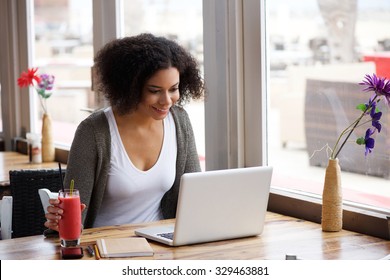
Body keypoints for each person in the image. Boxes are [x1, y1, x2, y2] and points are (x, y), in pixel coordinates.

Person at [45, 33, 204, 231]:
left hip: (161, 245)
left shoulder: (179, 122)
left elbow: (195, 197)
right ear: (131, 87)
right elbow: (71, 215)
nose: (166, 100)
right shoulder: (94, 132)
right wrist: (59, 221)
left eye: (173, 89)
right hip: (105, 248)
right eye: (154, 91)